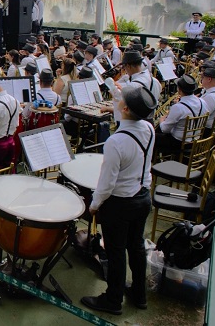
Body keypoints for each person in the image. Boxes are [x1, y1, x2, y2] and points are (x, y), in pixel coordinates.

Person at [81, 87, 157, 315]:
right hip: (143, 197)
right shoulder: (149, 129)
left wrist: (94, 205)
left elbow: (107, 183)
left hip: (121, 203)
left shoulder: (116, 142)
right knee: (136, 246)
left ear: (124, 109)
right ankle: (139, 294)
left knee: (115, 252)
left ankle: (113, 300)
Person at [155, 75, 206, 157]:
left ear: (179, 90)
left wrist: (162, 119)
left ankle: (154, 162)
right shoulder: (203, 102)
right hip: (196, 139)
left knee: (154, 136)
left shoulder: (178, 107)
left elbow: (165, 129)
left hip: (180, 143)